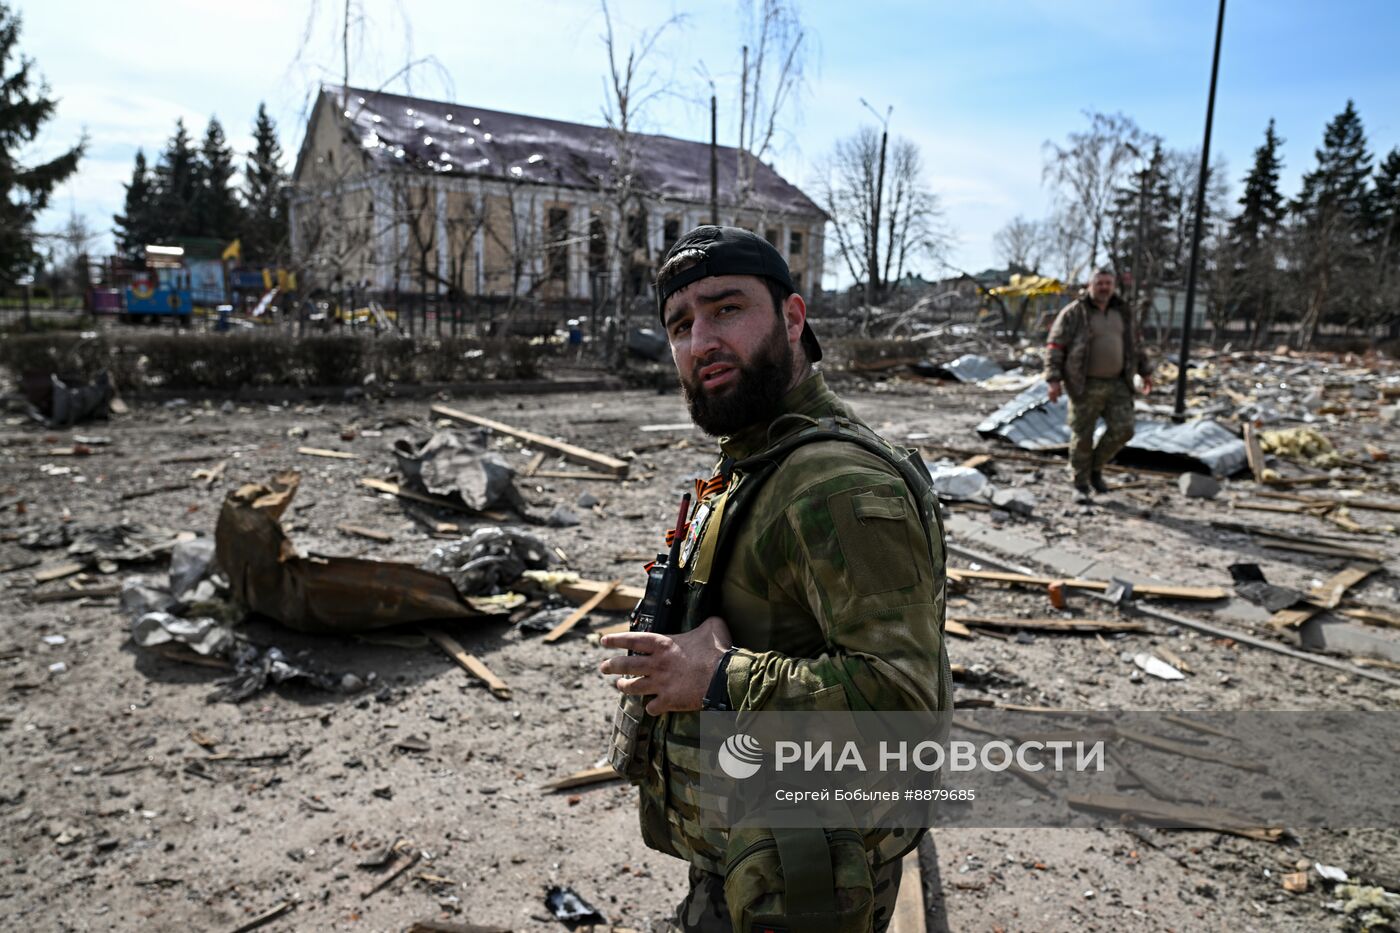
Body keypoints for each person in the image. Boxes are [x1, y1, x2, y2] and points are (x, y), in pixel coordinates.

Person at [598, 225, 952, 932]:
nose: (701, 342)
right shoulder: (763, 456)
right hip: (760, 851)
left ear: (793, 319)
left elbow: (905, 705)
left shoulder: (836, 483)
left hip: (808, 875)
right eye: (680, 323)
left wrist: (719, 677)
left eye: (727, 309)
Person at [1044, 268, 1153, 503]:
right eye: (1100, 283)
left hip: (1118, 383)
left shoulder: (1122, 312)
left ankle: (1094, 468)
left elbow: (1136, 343)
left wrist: (1146, 372)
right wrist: (1053, 380)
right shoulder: (1075, 312)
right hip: (1083, 384)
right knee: (1082, 435)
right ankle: (1080, 483)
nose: (1104, 287)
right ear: (1090, 284)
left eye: (1108, 283)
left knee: (1124, 429)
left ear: (1113, 285)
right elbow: (1055, 346)